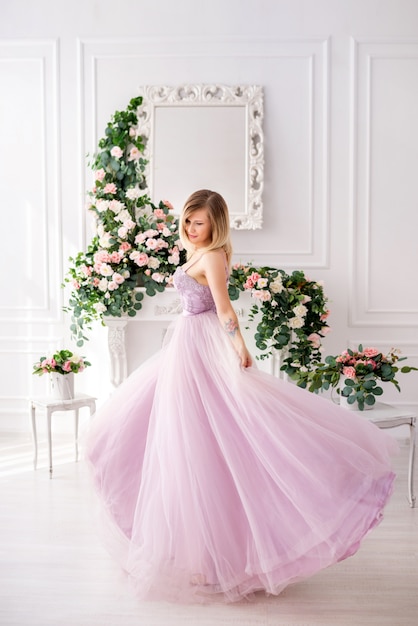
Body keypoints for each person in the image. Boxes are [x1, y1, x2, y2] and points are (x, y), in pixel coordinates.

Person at [85, 189, 398, 604]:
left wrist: (241, 350)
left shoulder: (212, 256)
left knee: (208, 443)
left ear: (216, 224)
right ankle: (195, 556)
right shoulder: (195, 252)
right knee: (181, 444)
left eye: (199, 223)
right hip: (184, 350)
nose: (190, 228)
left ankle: (213, 559)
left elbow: (225, 309)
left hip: (202, 348)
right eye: (188, 221)